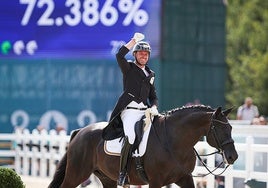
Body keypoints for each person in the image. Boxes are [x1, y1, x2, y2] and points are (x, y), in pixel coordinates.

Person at [102, 33, 159, 187]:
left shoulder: (151, 74)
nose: (144, 56)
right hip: (130, 111)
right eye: (141, 53)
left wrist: (153, 107)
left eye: (146, 54)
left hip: (145, 111)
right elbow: (119, 55)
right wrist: (134, 41)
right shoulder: (129, 68)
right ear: (135, 55)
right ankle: (122, 173)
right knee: (132, 137)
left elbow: (153, 96)